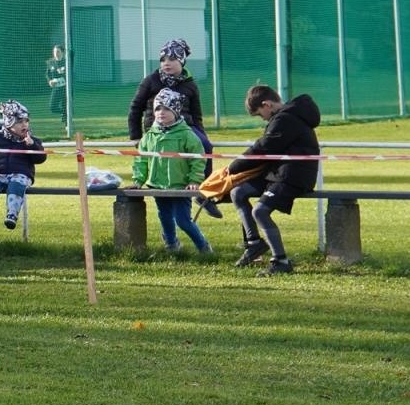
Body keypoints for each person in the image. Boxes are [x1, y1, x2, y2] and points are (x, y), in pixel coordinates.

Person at [225, 84, 321, 275]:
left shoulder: (285, 119)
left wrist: (233, 167)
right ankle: (254, 244)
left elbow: (264, 147)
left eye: (261, 114)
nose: (263, 119)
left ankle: (281, 261)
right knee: (238, 192)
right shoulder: (284, 117)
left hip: (293, 176)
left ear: (267, 104)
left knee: (260, 211)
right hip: (277, 173)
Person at [131, 88, 212, 254]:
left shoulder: (187, 135)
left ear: (176, 111)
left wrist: (194, 181)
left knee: (183, 220)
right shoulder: (149, 136)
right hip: (158, 186)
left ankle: (203, 247)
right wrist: (138, 180)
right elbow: (141, 160)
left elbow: (198, 159)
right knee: (165, 216)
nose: (161, 112)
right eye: (158, 108)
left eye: (167, 108)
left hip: (181, 186)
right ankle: (171, 245)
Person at [128, 39, 212, 183]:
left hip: (186, 127)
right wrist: (136, 136)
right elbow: (135, 108)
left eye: (172, 59)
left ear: (182, 61)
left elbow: (196, 114)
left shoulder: (190, 84)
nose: (166, 63)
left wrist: (201, 135)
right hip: (158, 128)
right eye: (163, 59)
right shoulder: (150, 81)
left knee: (205, 145)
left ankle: (203, 184)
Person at [0, 100, 46, 233]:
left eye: (26, 121)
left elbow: (40, 158)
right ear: (9, 123)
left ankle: (12, 215)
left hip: (22, 175)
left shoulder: (32, 141)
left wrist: (31, 146)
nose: (24, 125)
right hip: (1, 175)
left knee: (16, 185)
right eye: (19, 122)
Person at [46, 45, 67, 119]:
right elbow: (48, 74)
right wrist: (50, 81)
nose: (56, 53)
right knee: (52, 107)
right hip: (56, 88)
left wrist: (63, 74)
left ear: (62, 52)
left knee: (66, 106)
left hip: (66, 88)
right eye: (54, 52)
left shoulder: (66, 62)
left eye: (58, 51)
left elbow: (72, 74)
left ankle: (67, 125)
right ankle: (64, 113)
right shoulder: (50, 62)